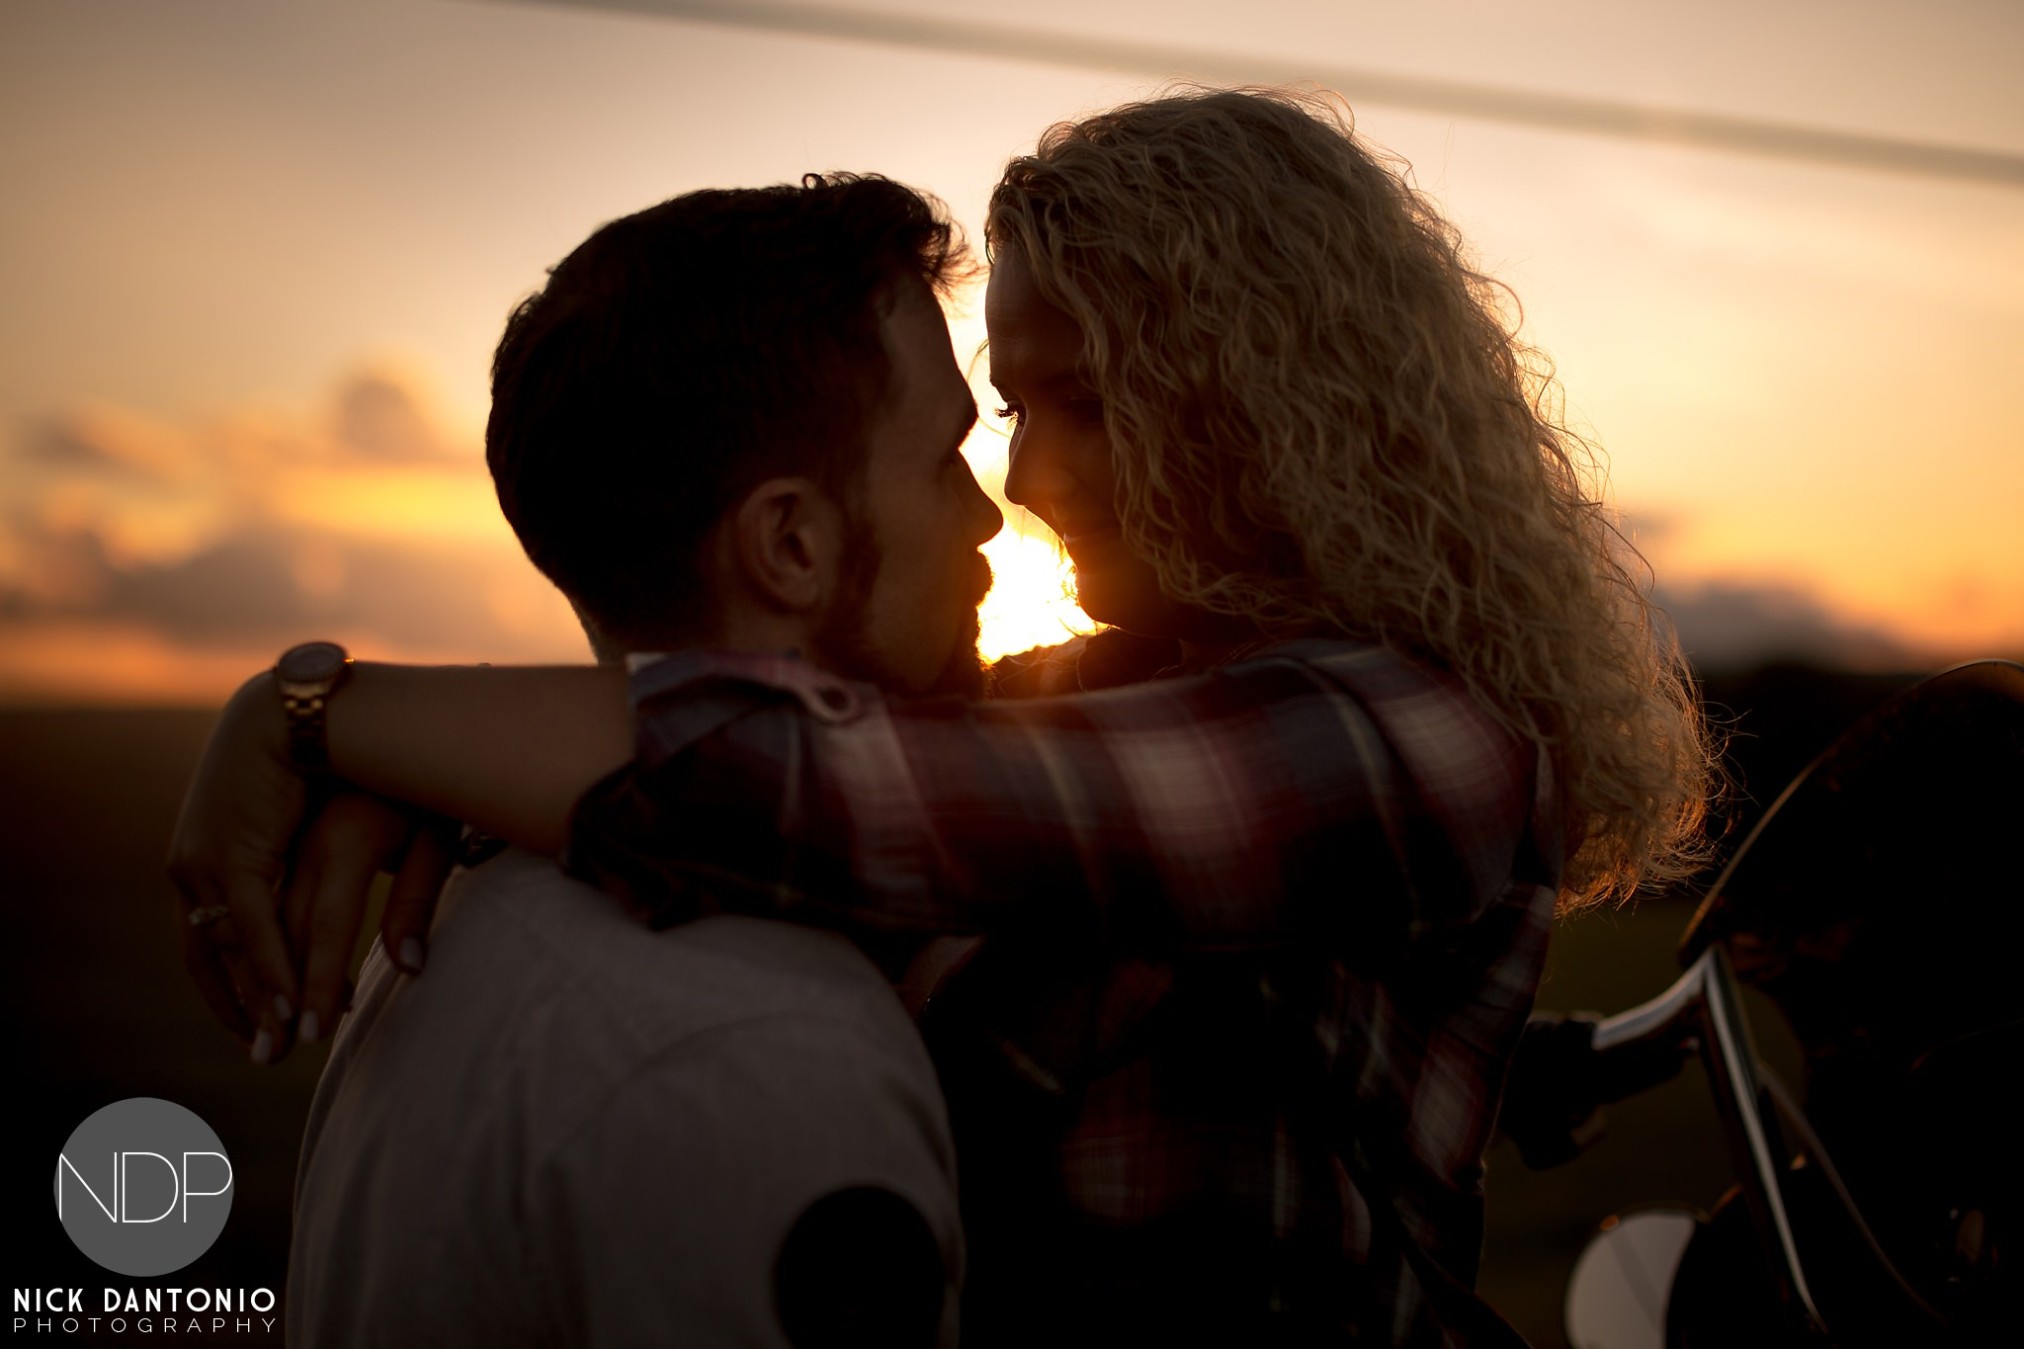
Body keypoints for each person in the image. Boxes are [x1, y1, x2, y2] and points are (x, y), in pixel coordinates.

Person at [171, 89, 1716, 1345]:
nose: (1029, 486)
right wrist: (430, 777)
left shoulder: (1428, 742)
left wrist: (323, 713)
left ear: (1264, 399)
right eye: (1006, 411)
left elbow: (814, 784)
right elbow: (807, 748)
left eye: (1086, 403)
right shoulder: (1090, 703)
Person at [267, 177, 999, 1347]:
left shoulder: (468, 891)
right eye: (945, 460)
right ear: (791, 543)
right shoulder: (764, 1047)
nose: (989, 519)